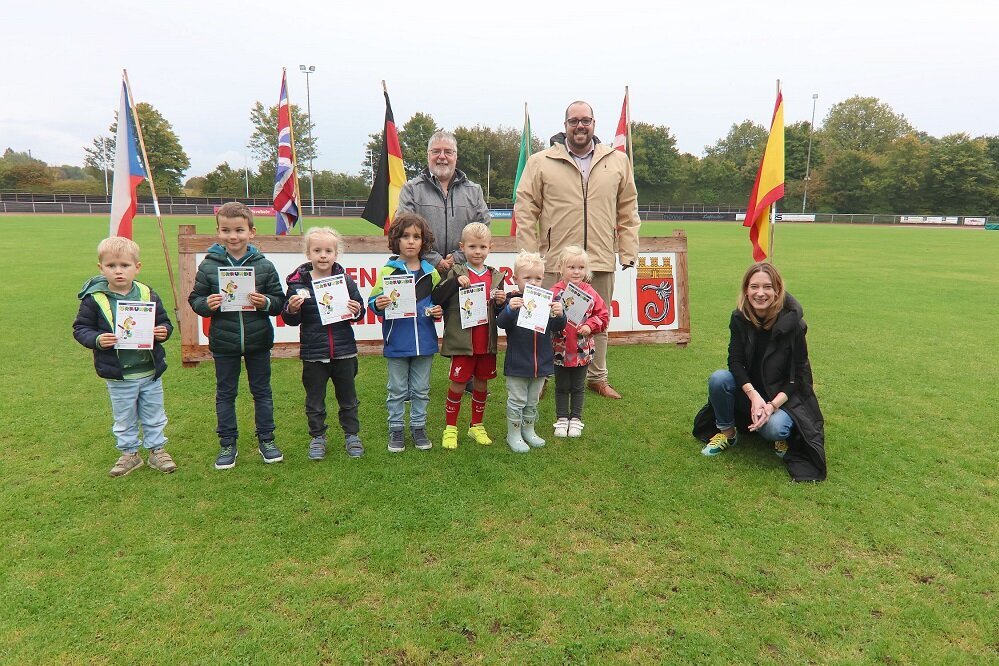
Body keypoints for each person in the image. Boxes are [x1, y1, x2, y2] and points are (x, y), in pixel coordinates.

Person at [514, 100, 641, 400]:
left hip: (598, 259)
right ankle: (542, 376)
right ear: (565, 125)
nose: (580, 126)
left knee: (598, 320)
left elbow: (628, 209)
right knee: (543, 320)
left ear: (594, 123)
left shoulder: (617, 161)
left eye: (585, 120)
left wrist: (628, 251)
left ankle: (597, 377)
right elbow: (526, 207)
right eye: (574, 121)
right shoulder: (541, 162)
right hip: (554, 261)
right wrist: (530, 256)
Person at [692, 262, 827, 482]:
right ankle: (728, 434)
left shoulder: (795, 326)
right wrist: (753, 396)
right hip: (751, 393)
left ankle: (779, 436)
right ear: (746, 289)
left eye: (767, 287)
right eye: (754, 286)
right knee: (719, 379)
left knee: (774, 429)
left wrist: (771, 405)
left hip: (782, 397)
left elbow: (797, 378)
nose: (760, 293)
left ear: (777, 290)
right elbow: (734, 361)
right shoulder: (739, 318)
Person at [188, 202, 286, 469]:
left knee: (262, 392)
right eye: (227, 230)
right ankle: (227, 444)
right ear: (218, 232)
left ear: (251, 232)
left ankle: (267, 440)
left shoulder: (263, 266)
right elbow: (195, 299)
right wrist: (206, 304)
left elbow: (279, 301)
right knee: (225, 394)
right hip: (224, 341)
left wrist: (264, 302)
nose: (233, 236)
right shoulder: (209, 266)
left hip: (258, 340)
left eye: (239, 230)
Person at [73, 237, 176, 477]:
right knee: (124, 416)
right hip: (119, 374)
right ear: (101, 268)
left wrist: (163, 332)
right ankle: (130, 453)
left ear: (137, 267)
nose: (118, 271)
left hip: (149, 371)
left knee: (154, 414)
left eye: (125, 265)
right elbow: (81, 328)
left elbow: (164, 322)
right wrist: (98, 339)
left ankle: (157, 451)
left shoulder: (147, 293)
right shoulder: (94, 298)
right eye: (111, 266)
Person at [282, 227, 367, 461]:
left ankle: (352, 436)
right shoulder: (298, 284)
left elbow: (359, 311)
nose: (323, 255)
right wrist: (292, 308)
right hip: (313, 353)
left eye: (328, 250)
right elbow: (290, 319)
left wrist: (356, 309)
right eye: (317, 250)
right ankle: (318, 437)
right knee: (315, 400)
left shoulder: (346, 281)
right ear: (308, 253)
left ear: (336, 254)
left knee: (348, 398)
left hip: (344, 351)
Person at [368, 212, 443, 453]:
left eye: (416, 237)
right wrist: (377, 304)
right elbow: (373, 301)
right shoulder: (388, 271)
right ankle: (396, 428)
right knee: (397, 389)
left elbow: (438, 304)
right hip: (397, 342)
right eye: (405, 236)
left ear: (424, 242)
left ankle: (419, 427)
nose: (411, 241)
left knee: (421, 389)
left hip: (425, 342)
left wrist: (437, 311)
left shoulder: (431, 273)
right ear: (396, 240)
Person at [430, 223, 507, 450]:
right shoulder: (456, 272)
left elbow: (501, 315)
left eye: (482, 246)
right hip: (464, 343)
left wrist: (501, 303)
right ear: (462, 247)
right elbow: (437, 297)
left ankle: (476, 426)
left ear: (490, 247)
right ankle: (450, 428)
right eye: (472, 246)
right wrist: (454, 283)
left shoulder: (495, 276)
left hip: (486, 343)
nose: (477, 251)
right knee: (458, 383)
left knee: (481, 384)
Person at [496, 250, 566, 452]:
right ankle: (514, 434)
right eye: (527, 278)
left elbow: (557, 327)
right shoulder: (512, 300)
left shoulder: (547, 300)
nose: (533, 282)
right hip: (518, 363)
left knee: (533, 400)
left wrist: (560, 315)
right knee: (517, 399)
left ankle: (529, 430)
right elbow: (501, 323)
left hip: (541, 362)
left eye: (538, 278)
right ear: (516, 278)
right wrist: (509, 309)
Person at [396, 130, 491, 273]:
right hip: (421, 272)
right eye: (436, 151)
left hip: (464, 275)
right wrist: (434, 259)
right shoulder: (411, 189)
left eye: (448, 152)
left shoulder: (474, 191)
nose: (442, 156)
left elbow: (483, 230)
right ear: (428, 155)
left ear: (455, 156)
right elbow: (402, 231)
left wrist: (459, 257)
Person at [550, 246, 610, 439]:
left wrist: (590, 326)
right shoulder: (554, 292)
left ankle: (575, 419)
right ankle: (561, 419)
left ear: (587, 270)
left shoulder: (590, 292)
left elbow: (603, 315)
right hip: (559, 349)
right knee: (561, 386)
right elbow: (543, 317)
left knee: (577, 386)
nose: (576, 271)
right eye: (571, 267)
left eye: (581, 267)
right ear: (561, 268)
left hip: (582, 351)